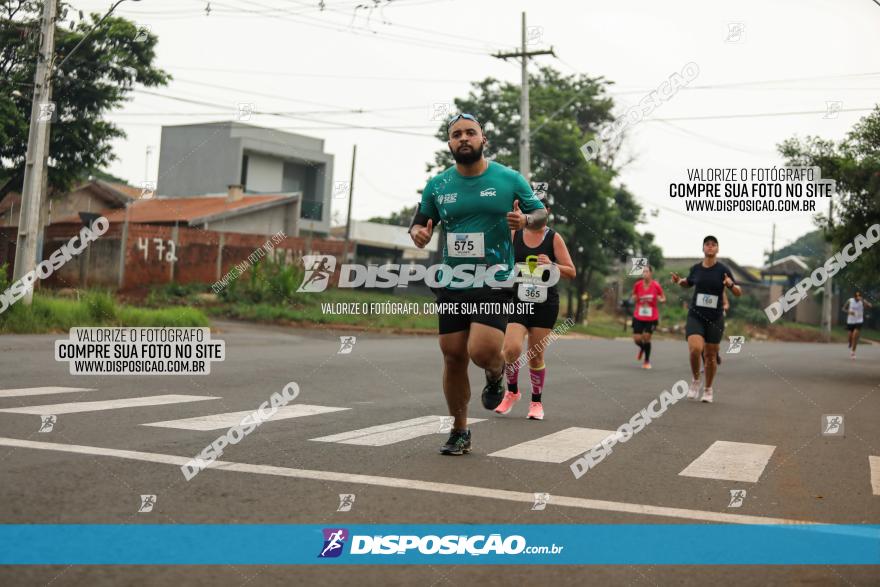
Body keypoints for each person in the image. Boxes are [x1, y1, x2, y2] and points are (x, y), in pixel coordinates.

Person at [410, 113, 547, 455]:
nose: (464, 138)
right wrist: (420, 234)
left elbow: (541, 213)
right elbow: (418, 224)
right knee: (453, 356)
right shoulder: (438, 185)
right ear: (450, 144)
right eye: (457, 134)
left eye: (471, 132)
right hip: (453, 280)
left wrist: (525, 219)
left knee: (481, 351)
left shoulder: (508, 178)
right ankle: (460, 430)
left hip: (494, 278)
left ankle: (497, 370)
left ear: (483, 140)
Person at [497, 199, 576, 420]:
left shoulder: (554, 238)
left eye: (537, 210)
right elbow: (500, 260)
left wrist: (552, 265)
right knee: (511, 349)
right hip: (519, 300)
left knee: (535, 356)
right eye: (528, 210)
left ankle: (536, 403)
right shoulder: (516, 235)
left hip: (545, 304)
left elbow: (571, 271)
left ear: (547, 212)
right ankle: (511, 392)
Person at [670, 236, 742, 403]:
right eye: (707, 245)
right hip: (696, 315)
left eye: (713, 245)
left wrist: (730, 285)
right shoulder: (696, 269)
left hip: (715, 318)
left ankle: (708, 389)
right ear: (703, 249)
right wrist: (679, 281)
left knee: (710, 355)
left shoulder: (723, 270)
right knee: (695, 349)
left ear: (717, 249)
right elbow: (687, 283)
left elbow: (738, 292)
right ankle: (696, 381)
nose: (710, 247)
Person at [630, 265, 666, 370]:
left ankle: (646, 360)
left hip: (651, 317)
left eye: (646, 271)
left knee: (646, 337)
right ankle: (642, 348)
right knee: (637, 339)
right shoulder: (637, 285)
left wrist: (661, 299)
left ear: (651, 273)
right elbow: (634, 296)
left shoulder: (656, 285)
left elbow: (663, 297)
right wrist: (634, 298)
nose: (644, 273)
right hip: (639, 315)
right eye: (643, 272)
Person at [843, 291, 872, 359]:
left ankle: (853, 352)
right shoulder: (850, 301)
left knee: (855, 336)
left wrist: (864, 301)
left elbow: (870, 306)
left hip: (859, 321)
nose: (857, 298)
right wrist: (849, 312)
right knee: (850, 336)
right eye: (856, 296)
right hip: (850, 321)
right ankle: (850, 342)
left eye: (859, 296)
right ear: (854, 297)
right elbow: (843, 308)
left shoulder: (862, 301)